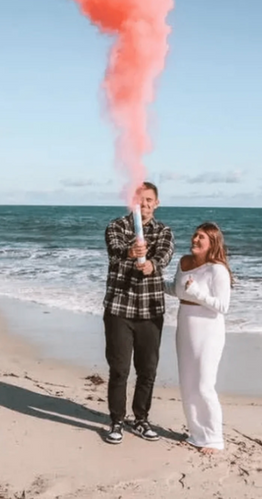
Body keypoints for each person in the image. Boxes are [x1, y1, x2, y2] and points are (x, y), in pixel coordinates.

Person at [103, 182, 174, 445]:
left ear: (156, 203)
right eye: (140, 199)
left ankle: (141, 419)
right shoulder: (117, 226)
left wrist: (151, 264)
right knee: (119, 369)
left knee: (147, 370)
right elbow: (115, 252)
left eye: (149, 200)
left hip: (150, 311)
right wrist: (130, 252)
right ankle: (117, 421)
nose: (144, 204)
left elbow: (165, 254)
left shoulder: (164, 231)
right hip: (119, 309)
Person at [165, 222, 232, 454]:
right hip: (185, 327)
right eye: (195, 235)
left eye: (201, 237)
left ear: (212, 242)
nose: (195, 239)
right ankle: (196, 434)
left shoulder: (218, 270)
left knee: (204, 384)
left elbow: (223, 306)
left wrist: (197, 293)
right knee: (187, 383)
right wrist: (153, 280)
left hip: (209, 330)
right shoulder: (184, 262)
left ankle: (214, 439)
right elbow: (177, 290)